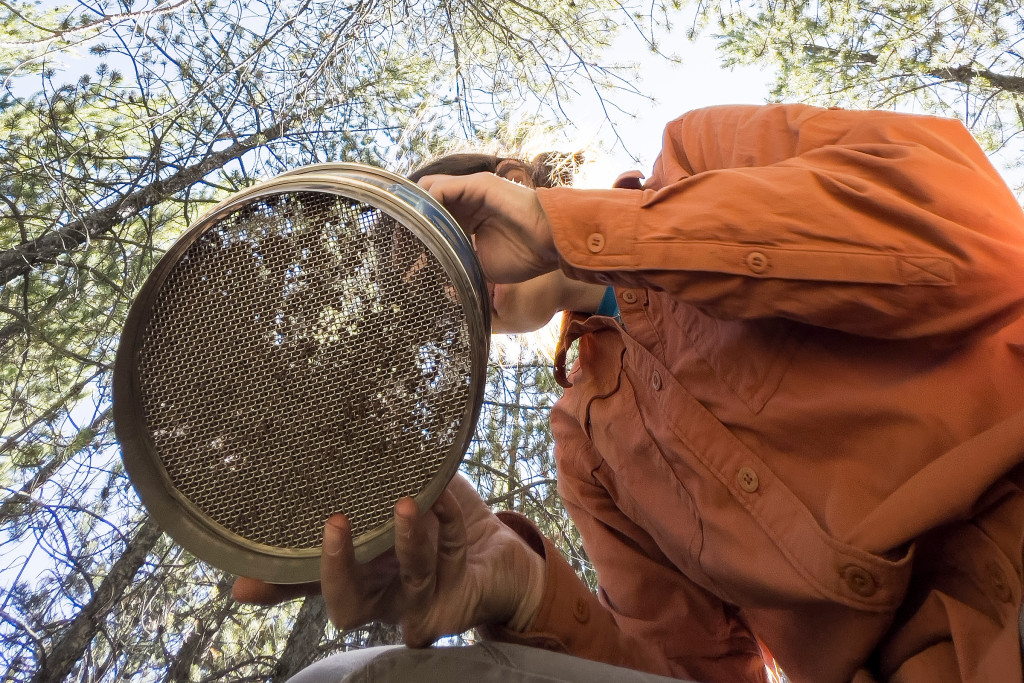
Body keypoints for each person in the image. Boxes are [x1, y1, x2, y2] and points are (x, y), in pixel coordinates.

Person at [234, 103, 1024, 683]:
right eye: (425, 297)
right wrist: (522, 588)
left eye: (445, 239)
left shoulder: (700, 155)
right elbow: (697, 671)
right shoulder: (587, 449)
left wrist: (573, 226)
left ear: (506, 184)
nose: (454, 288)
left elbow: (970, 241)